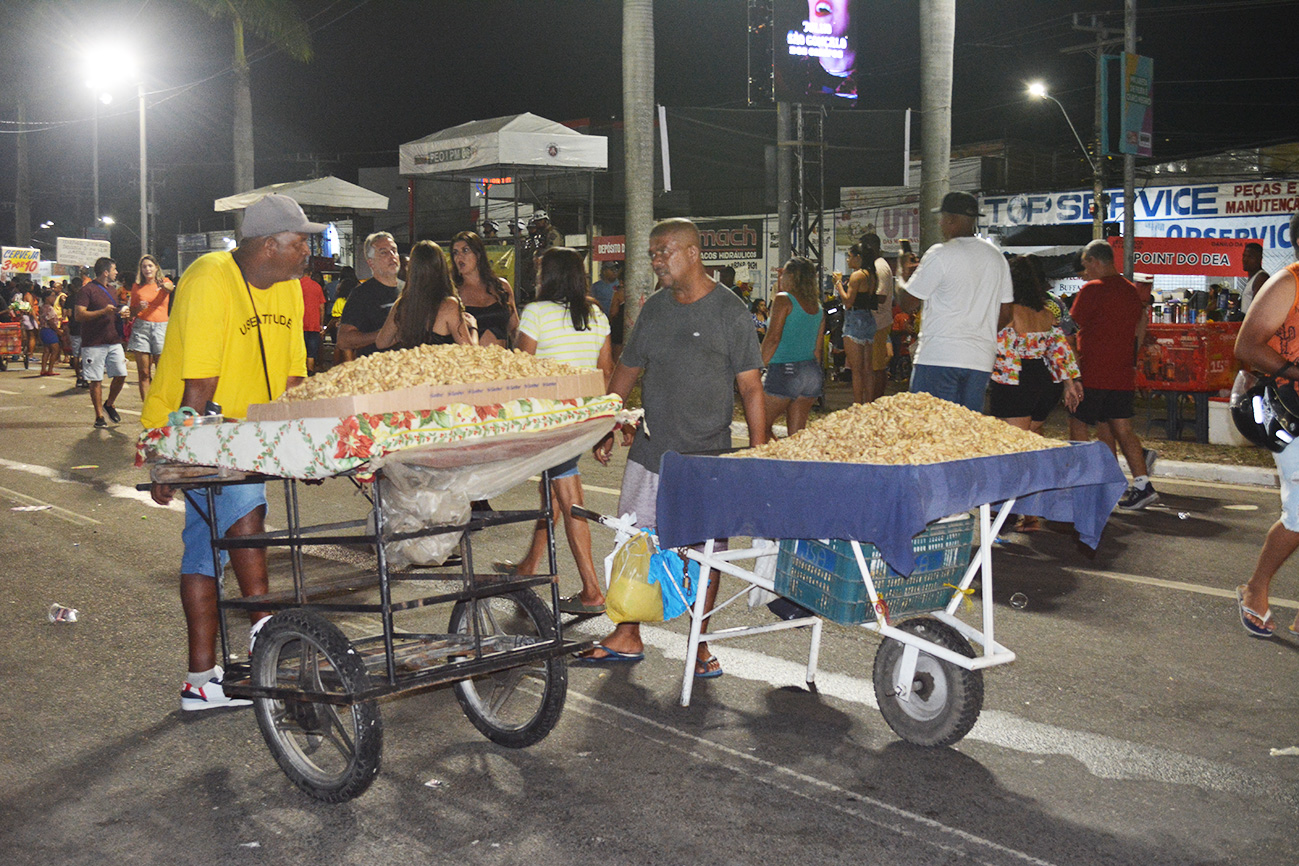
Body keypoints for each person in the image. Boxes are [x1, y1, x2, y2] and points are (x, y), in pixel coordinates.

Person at [142, 193, 319, 711]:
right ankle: (264, 627)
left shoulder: (290, 287)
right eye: (299, 242)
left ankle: (201, 681)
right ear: (268, 245)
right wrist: (172, 457)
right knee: (246, 513)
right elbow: (198, 382)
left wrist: (303, 447)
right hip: (194, 424)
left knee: (204, 548)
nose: (307, 251)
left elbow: (293, 377)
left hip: (248, 433)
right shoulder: (209, 277)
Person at [580, 218, 768, 678]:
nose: (656, 260)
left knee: (704, 554)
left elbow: (751, 388)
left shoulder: (730, 311)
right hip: (650, 453)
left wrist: (760, 453)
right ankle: (627, 633)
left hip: (707, 459)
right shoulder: (655, 310)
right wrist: (607, 424)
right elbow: (626, 371)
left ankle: (699, 643)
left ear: (693, 253)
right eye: (652, 253)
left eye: (664, 251)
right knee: (635, 543)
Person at [510, 247, 614, 614]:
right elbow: (605, 371)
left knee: (570, 498)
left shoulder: (537, 312)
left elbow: (520, 368)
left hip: (550, 420)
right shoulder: (595, 314)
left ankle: (592, 590)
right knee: (553, 492)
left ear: (549, 276)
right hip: (582, 418)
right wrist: (602, 423)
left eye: (541, 271)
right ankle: (528, 566)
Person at [1233, 213, 1299, 638]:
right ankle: (1255, 588)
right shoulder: (1287, 283)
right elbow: (1246, 345)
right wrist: (1295, 371)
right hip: (1291, 412)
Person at [897, 191, 1013, 412]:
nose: (940, 224)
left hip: (939, 357)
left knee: (931, 426)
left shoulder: (940, 254)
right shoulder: (997, 257)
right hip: (980, 360)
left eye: (942, 218)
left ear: (950, 219)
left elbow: (907, 303)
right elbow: (1006, 314)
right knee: (965, 429)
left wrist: (901, 272)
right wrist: (977, 330)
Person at [1068, 239, 1158, 510]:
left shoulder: (1092, 289)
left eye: (1085, 265)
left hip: (1093, 371)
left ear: (1094, 261)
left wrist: (1072, 370)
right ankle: (1142, 485)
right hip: (1121, 373)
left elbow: (1071, 327)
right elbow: (1137, 330)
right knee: (1121, 429)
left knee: (1078, 423)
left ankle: (1085, 485)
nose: (1085, 271)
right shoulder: (1130, 291)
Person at [990, 256, 1083, 432]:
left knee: (1013, 439)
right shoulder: (1047, 314)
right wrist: (1069, 383)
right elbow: (1061, 351)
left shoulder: (1008, 314)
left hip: (1016, 379)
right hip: (1045, 380)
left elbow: (999, 349)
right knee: (1029, 435)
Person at [761, 256, 825, 440]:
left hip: (785, 370)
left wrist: (757, 366)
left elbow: (773, 338)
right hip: (810, 373)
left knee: (760, 427)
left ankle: (777, 457)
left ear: (790, 276)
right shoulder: (818, 308)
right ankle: (793, 458)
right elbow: (817, 350)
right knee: (796, 436)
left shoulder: (783, 300)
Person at [375, 240, 477, 350]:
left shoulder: (401, 304)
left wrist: (404, 334)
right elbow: (470, 351)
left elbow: (381, 343)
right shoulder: (449, 305)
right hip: (440, 360)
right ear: (441, 267)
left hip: (412, 360)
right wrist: (473, 327)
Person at [75, 257, 129, 428]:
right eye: (114, 269)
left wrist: (122, 313)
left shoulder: (112, 290)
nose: (116, 272)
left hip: (113, 339)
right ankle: (99, 416)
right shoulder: (87, 290)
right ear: (105, 272)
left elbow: (112, 311)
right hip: (93, 342)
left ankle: (109, 404)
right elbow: (79, 315)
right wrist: (102, 312)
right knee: (96, 379)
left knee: (121, 373)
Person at [337, 231, 401, 358]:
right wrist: (384, 335)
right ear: (371, 263)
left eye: (394, 250)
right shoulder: (361, 294)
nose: (392, 256)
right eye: (384, 252)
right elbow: (343, 340)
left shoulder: (409, 289)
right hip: (377, 366)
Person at [451, 230, 518, 348]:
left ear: (478, 254)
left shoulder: (501, 286)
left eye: (465, 250)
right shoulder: (453, 292)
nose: (459, 256)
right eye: (455, 252)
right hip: (470, 357)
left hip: (503, 357)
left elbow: (514, 328)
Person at [835, 242, 878, 404]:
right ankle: (869, 403)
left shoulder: (857, 276)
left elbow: (848, 302)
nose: (847, 260)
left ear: (858, 257)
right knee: (868, 369)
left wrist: (838, 284)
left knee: (856, 370)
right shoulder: (871, 275)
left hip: (854, 320)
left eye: (849, 256)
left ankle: (858, 405)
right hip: (868, 318)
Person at [125, 255, 174, 400]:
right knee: (144, 373)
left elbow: (170, 288)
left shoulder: (164, 282)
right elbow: (132, 312)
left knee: (161, 371)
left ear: (156, 267)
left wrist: (162, 285)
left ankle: (162, 402)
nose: (147, 269)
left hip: (161, 327)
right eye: (144, 266)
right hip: (142, 328)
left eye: (150, 266)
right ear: (140, 270)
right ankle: (146, 406)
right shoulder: (137, 287)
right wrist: (138, 308)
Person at [862, 233, 895, 402]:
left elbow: (881, 296)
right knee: (874, 365)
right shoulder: (876, 265)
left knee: (877, 367)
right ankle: (874, 399)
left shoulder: (879, 267)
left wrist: (858, 299)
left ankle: (876, 400)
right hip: (876, 321)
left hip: (878, 321)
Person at [299, 269, 326, 374]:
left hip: (299, 323)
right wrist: (321, 324)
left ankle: (301, 373)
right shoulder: (317, 287)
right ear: (310, 274)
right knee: (312, 352)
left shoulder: (297, 286)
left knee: (301, 350)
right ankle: (310, 372)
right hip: (314, 324)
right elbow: (322, 307)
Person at [38, 287, 63, 376]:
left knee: (46, 350)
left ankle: (43, 369)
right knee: (55, 350)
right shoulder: (49, 308)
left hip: (43, 330)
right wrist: (58, 331)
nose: (54, 298)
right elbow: (51, 322)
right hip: (49, 330)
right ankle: (50, 369)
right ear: (47, 298)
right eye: (52, 296)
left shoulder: (43, 307)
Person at [1240, 242, 1269, 314]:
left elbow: (1257, 308)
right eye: (1244, 256)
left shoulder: (1261, 278)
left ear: (1259, 258)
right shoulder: (1252, 278)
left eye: (1250, 257)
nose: (1245, 259)